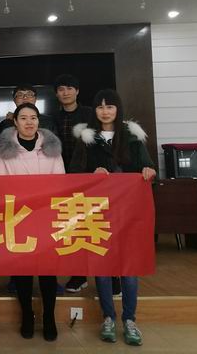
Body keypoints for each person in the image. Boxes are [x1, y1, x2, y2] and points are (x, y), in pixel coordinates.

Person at [70, 89, 156, 347]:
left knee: (129, 269)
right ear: (94, 110)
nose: (105, 111)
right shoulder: (86, 138)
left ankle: (129, 320)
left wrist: (149, 171)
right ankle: (108, 317)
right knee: (102, 267)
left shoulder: (132, 135)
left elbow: (148, 168)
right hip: (97, 212)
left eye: (110, 107)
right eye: (100, 107)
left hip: (129, 212)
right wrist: (91, 174)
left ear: (118, 109)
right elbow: (73, 174)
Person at [0, 103, 65, 342]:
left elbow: (60, 182)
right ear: (15, 122)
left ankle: (49, 317)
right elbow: (1, 184)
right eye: (23, 118)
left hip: (46, 216)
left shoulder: (52, 148)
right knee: (23, 271)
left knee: (48, 271)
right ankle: (27, 314)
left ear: (38, 121)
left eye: (33, 118)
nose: (29, 122)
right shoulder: (4, 150)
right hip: (18, 217)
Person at [52, 75, 94, 294]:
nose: (65, 92)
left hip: (87, 178)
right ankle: (78, 274)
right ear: (56, 94)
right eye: (61, 89)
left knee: (90, 226)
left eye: (70, 88)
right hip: (60, 178)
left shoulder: (90, 113)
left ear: (77, 91)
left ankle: (109, 276)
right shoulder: (52, 117)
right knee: (69, 227)